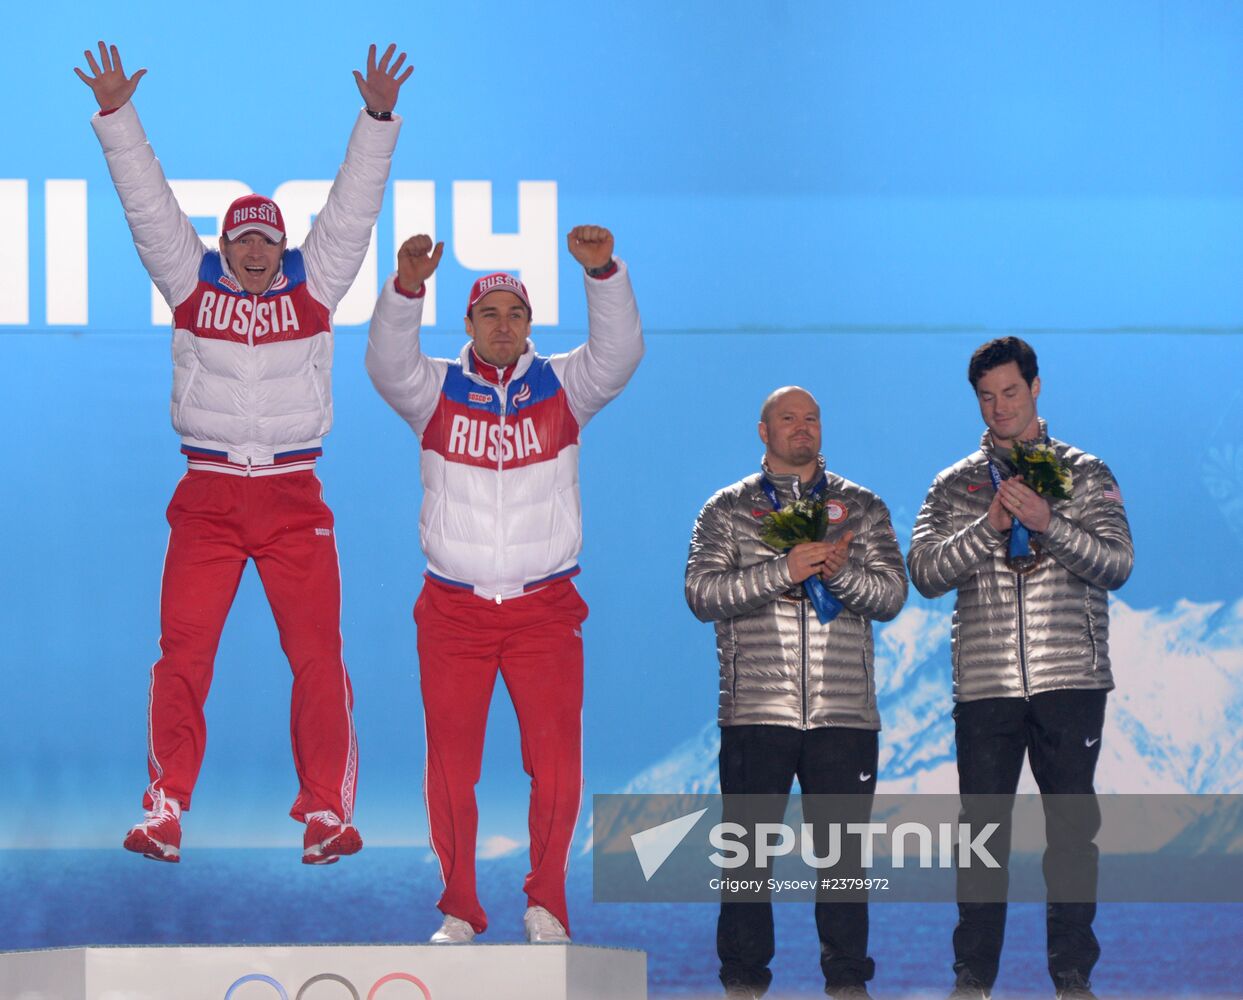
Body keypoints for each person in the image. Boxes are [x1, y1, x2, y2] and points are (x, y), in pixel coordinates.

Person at [75, 40, 412, 864]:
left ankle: (326, 812)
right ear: (222, 247)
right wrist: (117, 115)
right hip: (208, 494)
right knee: (182, 655)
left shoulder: (315, 284)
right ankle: (164, 807)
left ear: (284, 246)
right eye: (242, 241)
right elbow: (147, 202)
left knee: (318, 657)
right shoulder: (187, 281)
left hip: (294, 496)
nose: (256, 251)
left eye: (268, 240)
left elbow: (353, 209)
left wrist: (376, 120)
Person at [365, 229, 643, 943]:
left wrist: (602, 274)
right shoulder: (433, 389)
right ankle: (459, 908)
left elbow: (619, 353)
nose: (502, 325)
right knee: (450, 769)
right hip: (453, 610)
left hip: (544, 609)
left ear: (529, 325)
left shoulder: (563, 385)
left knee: (555, 766)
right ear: (466, 323)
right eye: (488, 314)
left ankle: (546, 902)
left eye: (515, 314)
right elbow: (386, 363)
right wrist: (405, 290)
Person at [906, 337, 1134, 1000]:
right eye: (986, 397)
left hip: (1071, 681)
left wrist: (1048, 522)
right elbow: (924, 573)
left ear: (1035, 387)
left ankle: (1072, 976)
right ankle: (972, 978)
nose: (1000, 407)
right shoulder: (953, 484)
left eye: (1010, 392)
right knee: (980, 837)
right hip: (985, 687)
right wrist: (988, 526)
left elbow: (1117, 563)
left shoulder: (1085, 472)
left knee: (1071, 833)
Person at [684, 386, 908, 1000]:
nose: (802, 427)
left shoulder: (862, 508)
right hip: (756, 711)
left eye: (812, 418)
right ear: (764, 431)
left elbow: (892, 596)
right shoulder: (727, 509)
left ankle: (847, 981)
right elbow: (701, 594)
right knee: (747, 856)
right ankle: (743, 981)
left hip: (844, 714)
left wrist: (841, 571)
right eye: (788, 418)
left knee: (843, 858)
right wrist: (783, 570)